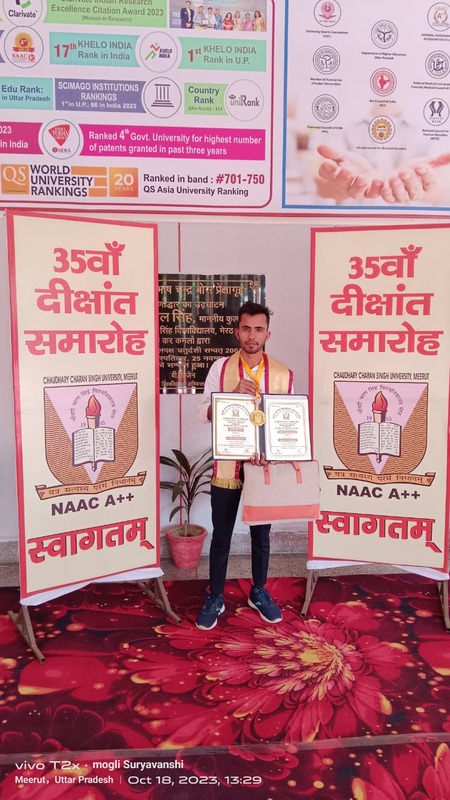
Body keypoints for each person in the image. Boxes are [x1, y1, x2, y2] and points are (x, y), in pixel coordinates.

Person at [195, 302, 294, 631]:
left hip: (263, 467)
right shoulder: (220, 369)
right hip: (228, 465)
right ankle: (216, 595)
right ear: (237, 332)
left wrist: (273, 454)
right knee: (221, 535)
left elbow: (288, 425)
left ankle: (259, 591)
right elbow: (204, 413)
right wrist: (230, 396)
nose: (252, 335)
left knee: (261, 536)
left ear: (268, 334)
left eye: (259, 329)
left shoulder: (282, 374)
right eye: (247, 329)